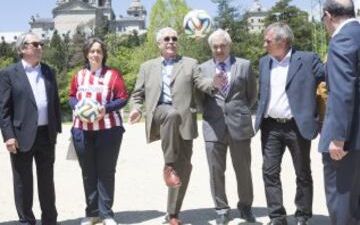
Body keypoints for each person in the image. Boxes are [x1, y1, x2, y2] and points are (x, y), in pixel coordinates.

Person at [129, 27, 224, 225]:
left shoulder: (189, 63)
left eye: (174, 38)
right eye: (166, 39)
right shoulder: (148, 67)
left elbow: (201, 82)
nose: (171, 41)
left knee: (184, 169)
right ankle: (169, 164)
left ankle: (173, 213)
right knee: (171, 114)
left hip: (184, 122)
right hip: (160, 115)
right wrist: (136, 109)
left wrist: (214, 83)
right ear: (159, 44)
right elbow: (137, 94)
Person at [255, 22, 325, 225]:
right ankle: (277, 217)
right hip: (270, 127)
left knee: (302, 172)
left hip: (297, 126)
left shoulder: (307, 59)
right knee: (269, 172)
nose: (264, 44)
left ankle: (302, 215)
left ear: (282, 41)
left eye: (268, 40)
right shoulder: (263, 62)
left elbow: (330, 75)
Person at [0, 32, 62, 225]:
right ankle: (26, 221)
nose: (39, 47)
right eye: (34, 44)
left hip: (46, 135)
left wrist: (57, 129)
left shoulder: (49, 71)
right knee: (23, 183)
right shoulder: (9, 73)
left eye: (40, 44)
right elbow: (3, 108)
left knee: (47, 182)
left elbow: (54, 102)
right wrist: (8, 136)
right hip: (20, 136)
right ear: (22, 49)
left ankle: (50, 220)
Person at [198, 29, 257, 224]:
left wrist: (239, 111)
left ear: (229, 46)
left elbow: (252, 95)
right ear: (211, 48)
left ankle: (246, 206)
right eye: (215, 46)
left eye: (223, 45)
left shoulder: (244, 65)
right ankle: (222, 209)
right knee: (215, 171)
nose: (219, 49)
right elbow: (199, 98)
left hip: (239, 125)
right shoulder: (202, 68)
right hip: (212, 126)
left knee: (243, 170)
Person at [69, 38, 128, 225]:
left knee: (106, 171)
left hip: (109, 130)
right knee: (88, 172)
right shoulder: (79, 76)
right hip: (82, 130)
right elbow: (71, 96)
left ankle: (106, 214)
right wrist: (77, 107)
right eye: (92, 51)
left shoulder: (113, 75)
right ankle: (92, 212)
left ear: (103, 54)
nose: (96, 54)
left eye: (99, 51)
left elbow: (123, 98)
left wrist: (106, 109)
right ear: (87, 53)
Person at [319, 0, 360, 225]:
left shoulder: (342, 39)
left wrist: (338, 137)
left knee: (341, 201)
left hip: (348, 140)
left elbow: (343, 91)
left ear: (328, 16)